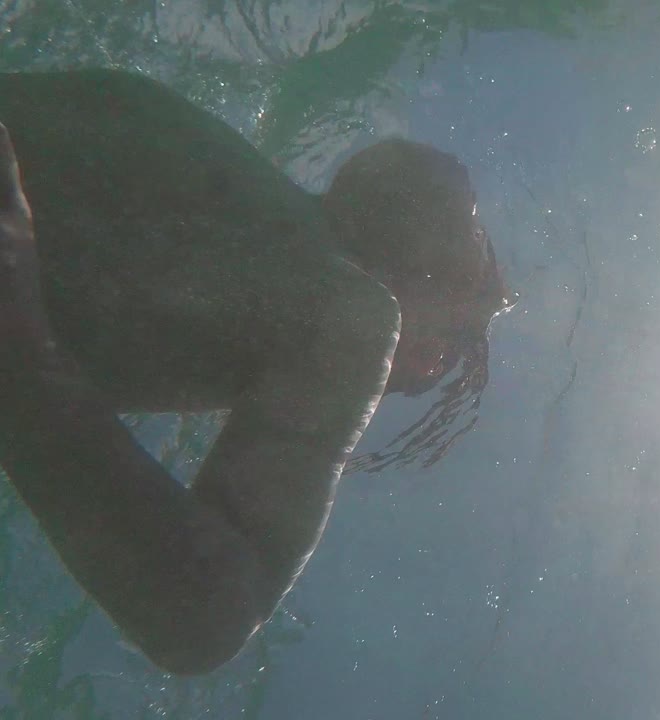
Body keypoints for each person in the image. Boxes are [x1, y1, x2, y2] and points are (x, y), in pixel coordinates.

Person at [0, 69, 509, 674]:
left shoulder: (352, 308)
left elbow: (203, 617)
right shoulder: (345, 301)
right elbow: (203, 616)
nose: (433, 365)